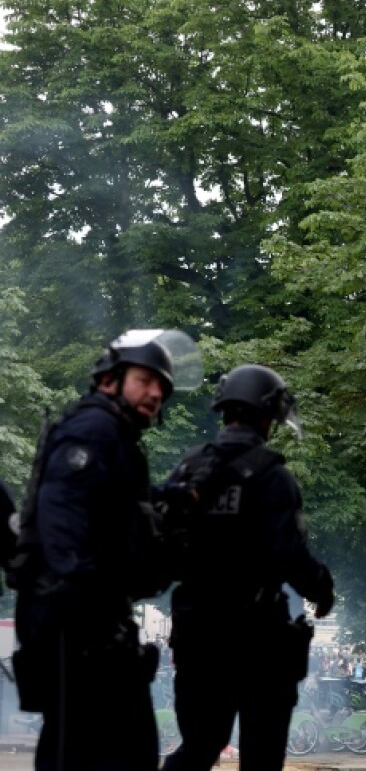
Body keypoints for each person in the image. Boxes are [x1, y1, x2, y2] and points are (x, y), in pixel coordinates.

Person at [8, 330, 195, 771]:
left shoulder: (113, 435)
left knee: (88, 747)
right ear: (111, 380)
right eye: (146, 380)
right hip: (75, 622)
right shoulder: (95, 429)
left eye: (162, 388)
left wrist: (173, 497)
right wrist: (93, 610)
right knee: (99, 751)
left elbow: (115, 507)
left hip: (82, 618)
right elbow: (63, 520)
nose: (155, 394)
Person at [160, 364, 335, 771]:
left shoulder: (187, 470)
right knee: (262, 756)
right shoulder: (273, 478)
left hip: (195, 633)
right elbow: (290, 555)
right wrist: (322, 588)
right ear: (268, 418)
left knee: (198, 748)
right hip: (257, 637)